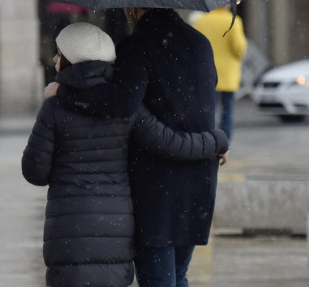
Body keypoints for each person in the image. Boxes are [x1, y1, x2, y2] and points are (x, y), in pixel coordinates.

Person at [24, 23, 228, 287]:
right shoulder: (127, 109)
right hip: (117, 225)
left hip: (67, 229)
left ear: (70, 61)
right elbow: (172, 144)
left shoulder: (54, 108)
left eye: (59, 53)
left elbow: (35, 172)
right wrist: (218, 140)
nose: (54, 58)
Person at [193, 5, 247, 141]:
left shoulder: (202, 21)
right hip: (227, 74)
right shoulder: (234, 21)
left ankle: (209, 136)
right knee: (227, 108)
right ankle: (225, 139)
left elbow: (195, 47)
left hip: (207, 72)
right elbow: (239, 49)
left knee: (209, 109)